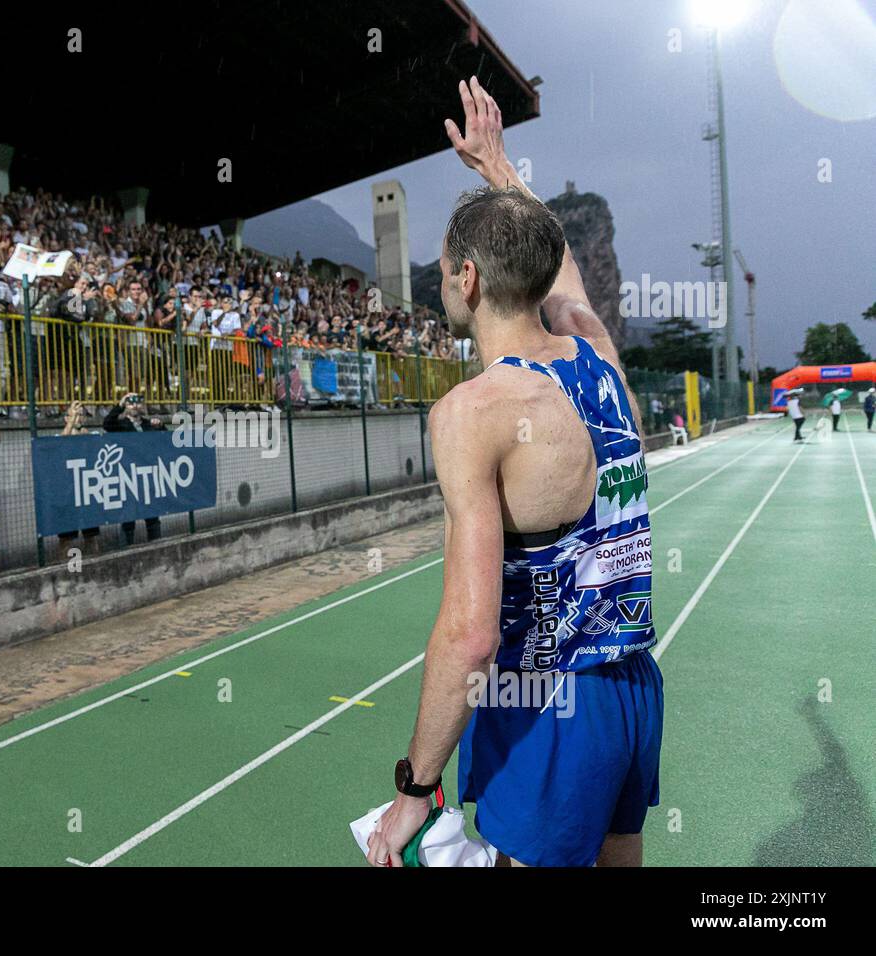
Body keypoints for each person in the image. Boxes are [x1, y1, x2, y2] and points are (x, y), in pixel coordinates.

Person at [365, 78, 661, 869]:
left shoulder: (475, 412)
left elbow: (469, 636)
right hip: (632, 687)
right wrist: (499, 167)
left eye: (442, 272)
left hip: (549, 703)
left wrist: (414, 790)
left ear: (466, 280)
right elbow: (557, 266)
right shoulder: (595, 352)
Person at [103, 392, 164, 547]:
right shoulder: (120, 425)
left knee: (152, 517)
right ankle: (126, 550)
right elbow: (107, 424)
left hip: (148, 478)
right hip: (129, 479)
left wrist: (161, 426)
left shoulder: (149, 424)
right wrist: (120, 404)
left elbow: (165, 442)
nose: (134, 406)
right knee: (128, 519)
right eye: (130, 403)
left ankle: (157, 547)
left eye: (137, 403)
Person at [56, 400, 101, 559]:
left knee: (92, 536)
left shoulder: (90, 434)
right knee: (67, 539)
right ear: (66, 418)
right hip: (67, 495)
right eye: (74, 415)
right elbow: (59, 446)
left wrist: (80, 428)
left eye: (81, 415)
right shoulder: (59, 436)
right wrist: (71, 425)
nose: (78, 418)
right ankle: (67, 570)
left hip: (87, 492)